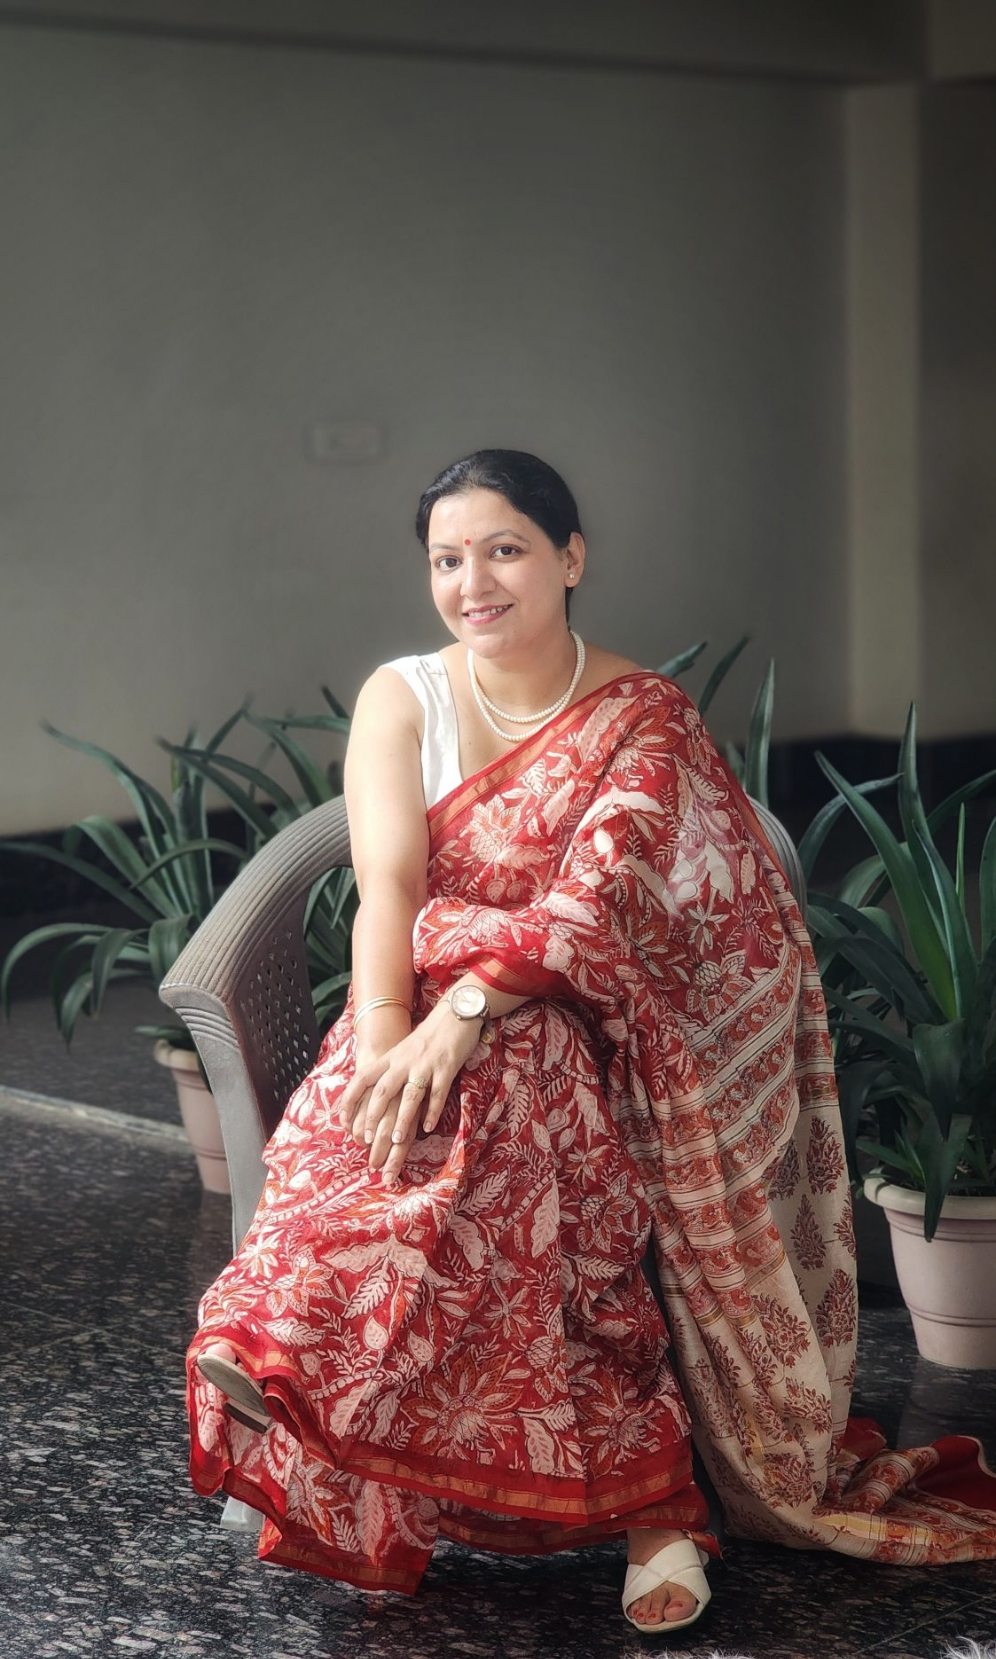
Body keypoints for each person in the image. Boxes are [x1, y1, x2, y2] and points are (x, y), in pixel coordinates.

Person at [189, 451, 996, 1633]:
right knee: (403, 1116)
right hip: (412, 1010)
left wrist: (469, 1013)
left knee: (515, 1093)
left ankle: (298, 1363)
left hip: (600, 1024)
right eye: (447, 560)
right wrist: (385, 1039)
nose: (475, 582)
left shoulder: (641, 713)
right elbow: (390, 890)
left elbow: (602, 912)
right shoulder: (400, 696)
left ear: (571, 558)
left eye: (504, 550)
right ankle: (645, 1510)